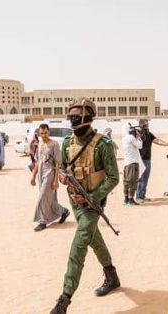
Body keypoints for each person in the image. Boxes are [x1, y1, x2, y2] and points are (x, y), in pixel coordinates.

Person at [50, 97, 120, 313]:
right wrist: (63, 177)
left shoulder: (103, 145)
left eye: (76, 115)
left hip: (93, 204)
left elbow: (113, 178)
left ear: (88, 117)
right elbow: (64, 168)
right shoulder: (67, 142)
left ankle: (64, 300)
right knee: (93, 238)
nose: (71, 119)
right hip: (74, 202)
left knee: (78, 246)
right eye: (70, 115)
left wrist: (92, 195)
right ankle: (111, 275)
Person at [30, 124, 70, 231]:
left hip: (50, 173)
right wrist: (33, 176)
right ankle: (63, 211)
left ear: (49, 132)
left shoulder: (54, 144)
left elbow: (57, 164)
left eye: (45, 133)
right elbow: (38, 161)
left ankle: (42, 221)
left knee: (42, 197)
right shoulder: (40, 144)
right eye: (41, 133)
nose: (43, 135)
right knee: (49, 199)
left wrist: (55, 180)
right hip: (40, 174)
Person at [135, 119, 168, 203]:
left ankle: (143, 195)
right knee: (141, 179)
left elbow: (157, 140)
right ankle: (138, 197)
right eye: (145, 125)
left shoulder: (149, 134)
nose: (147, 127)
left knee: (146, 178)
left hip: (148, 159)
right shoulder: (137, 134)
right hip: (140, 159)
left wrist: (166, 143)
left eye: (147, 125)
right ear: (141, 125)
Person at [121, 123, 144, 206]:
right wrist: (138, 137)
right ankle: (131, 200)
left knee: (126, 182)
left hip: (127, 163)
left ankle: (126, 199)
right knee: (132, 181)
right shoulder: (131, 138)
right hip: (132, 163)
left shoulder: (124, 138)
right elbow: (140, 146)